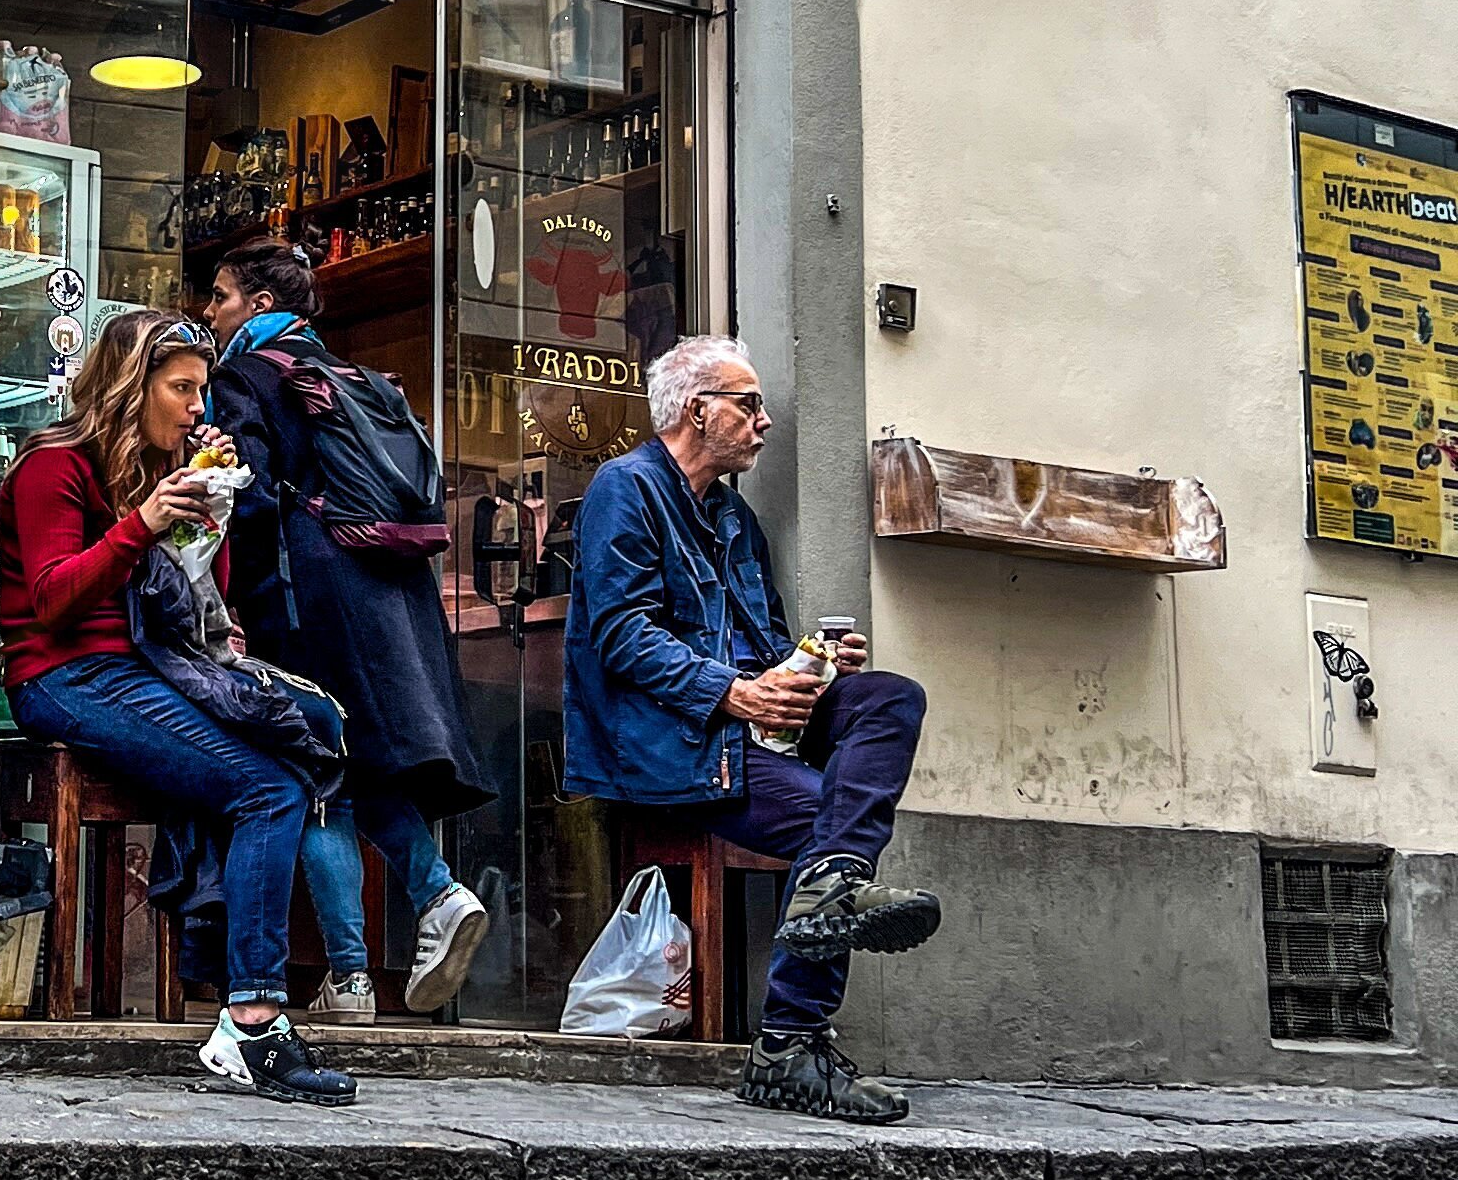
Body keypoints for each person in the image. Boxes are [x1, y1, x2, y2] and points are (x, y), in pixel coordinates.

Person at [563, 334, 941, 1124]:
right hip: (676, 744)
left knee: (888, 696)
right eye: (750, 403)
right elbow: (622, 634)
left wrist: (814, 667)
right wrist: (734, 693)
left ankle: (828, 892)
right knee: (827, 835)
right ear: (698, 411)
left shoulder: (734, 518)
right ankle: (790, 1045)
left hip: (749, 733)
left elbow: (764, 648)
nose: (766, 421)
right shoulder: (623, 489)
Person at [0, 307, 355, 1106]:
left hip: (143, 670)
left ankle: (254, 1012)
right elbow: (53, 599)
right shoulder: (52, 467)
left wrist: (211, 511)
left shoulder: (146, 472)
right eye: (183, 389)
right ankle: (254, 1025)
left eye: (202, 390)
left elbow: (206, 600)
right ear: (134, 387)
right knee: (268, 788)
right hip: (63, 678)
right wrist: (145, 521)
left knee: (301, 750)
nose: (199, 408)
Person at [203, 240, 493, 1022]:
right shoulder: (359, 377)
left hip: (307, 591)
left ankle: (367, 966)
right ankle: (401, 931)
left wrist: (229, 599)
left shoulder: (244, 376)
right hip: (390, 590)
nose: (210, 310)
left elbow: (248, 495)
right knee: (357, 764)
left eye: (221, 296)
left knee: (317, 771)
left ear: (260, 306)